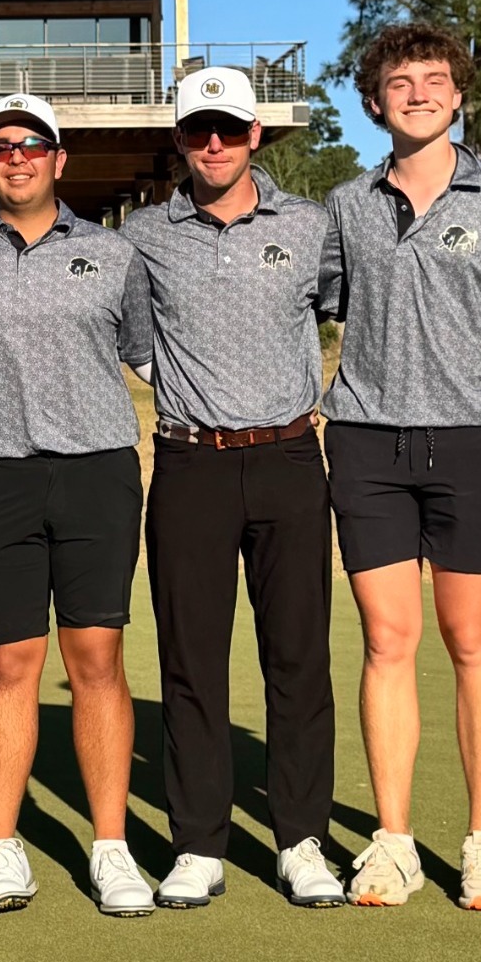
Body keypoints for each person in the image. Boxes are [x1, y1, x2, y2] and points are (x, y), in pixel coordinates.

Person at [319, 23, 481, 911]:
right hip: (366, 445)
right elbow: (309, 305)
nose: (420, 93)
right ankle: (392, 843)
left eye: (436, 79)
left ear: (460, 95)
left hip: (471, 445)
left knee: (472, 642)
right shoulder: (347, 205)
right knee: (387, 642)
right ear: (375, 101)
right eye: (401, 82)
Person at [0, 93, 159, 918]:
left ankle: (111, 846)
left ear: (59, 159)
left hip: (97, 472)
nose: (16, 157)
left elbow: (143, 350)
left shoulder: (113, 254)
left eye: (32, 144)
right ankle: (0, 845)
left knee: (97, 658)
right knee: (10, 662)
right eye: (0, 147)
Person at [118, 67, 345, 910]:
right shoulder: (146, 234)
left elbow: (349, 311)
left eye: (227, 128)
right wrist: (195, 393)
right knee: (191, 659)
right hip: (190, 465)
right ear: (179, 140)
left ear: (255, 134)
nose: (212, 143)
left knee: (299, 656)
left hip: (289, 460)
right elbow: (136, 342)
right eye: (196, 130)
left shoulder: (310, 226)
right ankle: (198, 843)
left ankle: (301, 838)